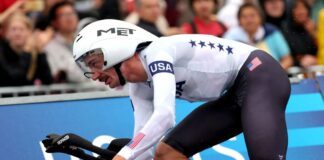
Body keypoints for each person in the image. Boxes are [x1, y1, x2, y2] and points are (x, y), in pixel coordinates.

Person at [73, 19, 291, 160]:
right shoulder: (138, 87)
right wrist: (124, 155)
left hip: (260, 75)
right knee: (167, 153)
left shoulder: (157, 52)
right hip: (234, 92)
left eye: (94, 64)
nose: (94, 75)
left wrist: (124, 155)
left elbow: (165, 116)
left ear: (115, 50)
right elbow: (145, 149)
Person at [224, 3, 293, 70]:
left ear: (260, 17)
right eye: (244, 17)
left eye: (252, 16)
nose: (249, 20)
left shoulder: (271, 32)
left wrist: (274, 72)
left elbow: (287, 60)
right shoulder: (232, 38)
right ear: (239, 21)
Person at [0, 13, 52, 86]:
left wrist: (40, 52)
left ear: (29, 32)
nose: (17, 33)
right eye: (13, 29)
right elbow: (16, 78)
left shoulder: (34, 52)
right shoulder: (2, 52)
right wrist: (26, 52)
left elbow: (48, 80)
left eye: (21, 29)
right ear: (7, 33)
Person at [44, 1, 88, 83]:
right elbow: (57, 75)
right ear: (54, 22)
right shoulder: (49, 48)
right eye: (64, 15)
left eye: (72, 13)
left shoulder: (87, 41)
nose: (69, 18)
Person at [282, 0, 318, 68]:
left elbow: (319, 50)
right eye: (296, 8)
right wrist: (300, 61)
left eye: (303, 8)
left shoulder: (312, 27)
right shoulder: (285, 30)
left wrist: (313, 33)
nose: (301, 12)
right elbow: (286, 57)